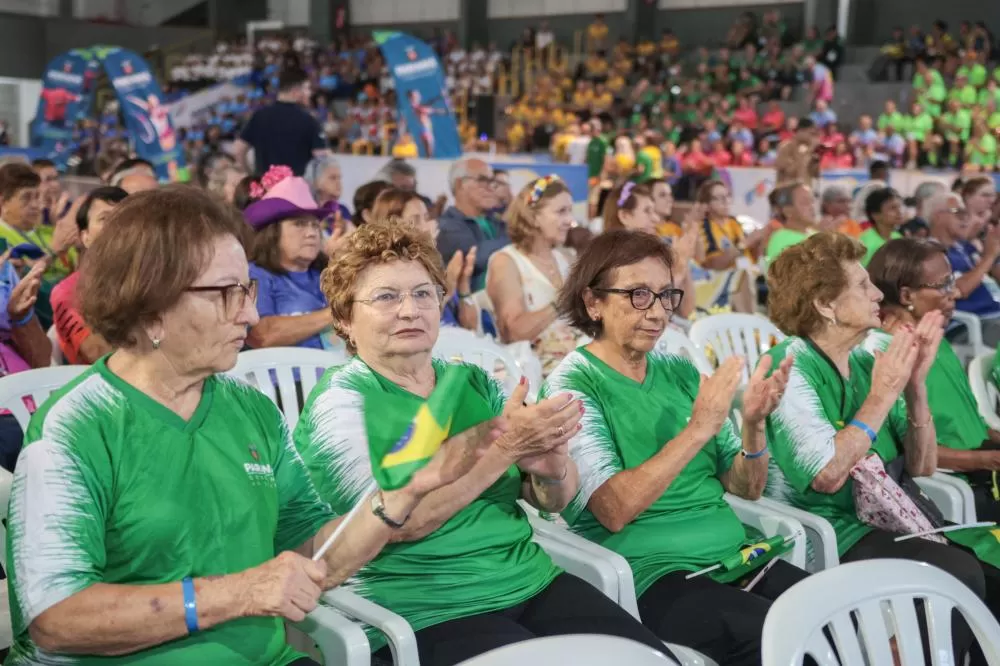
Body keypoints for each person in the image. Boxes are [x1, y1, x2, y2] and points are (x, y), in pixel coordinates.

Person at [5, 186, 486, 666]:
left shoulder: (250, 408)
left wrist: (400, 498)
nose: (251, 313)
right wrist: (238, 594)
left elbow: (313, 548)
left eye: (248, 289)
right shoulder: (78, 426)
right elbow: (55, 617)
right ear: (150, 304)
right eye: (227, 294)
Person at [292, 222, 673, 666]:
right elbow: (396, 521)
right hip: (424, 605)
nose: (410, 310)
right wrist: (505, 451)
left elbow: (552, 499)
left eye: (423, 293)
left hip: (530, 579)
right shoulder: (342, 400)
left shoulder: (470, 380)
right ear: (344, 319)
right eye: (386, 297)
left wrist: (552, 465)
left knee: (650, 659)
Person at [541, 229, 800, 666]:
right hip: (654, 573)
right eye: (639, 295)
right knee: (776, 636)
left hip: (734, 556)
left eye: (666, 296)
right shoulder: (573, 385)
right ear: (593, 302)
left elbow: (747, 489)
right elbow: (614, 508)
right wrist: (697, 430)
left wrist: (754, 426)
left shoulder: (678, 370)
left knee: (832, 615)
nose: (658, 312)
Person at [762, 231, 991, 652]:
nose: (876, 293)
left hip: (891, 512)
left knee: (989, 581)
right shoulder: (791, 366)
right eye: (863, 286)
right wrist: (883, 394)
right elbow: (827, 476)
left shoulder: (870, 355)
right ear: (825, 305)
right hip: (832, 528)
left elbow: (921, 466)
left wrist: (916, 386)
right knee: (956, 575)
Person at [867, 238, 1000, 522]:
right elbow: (908, 453)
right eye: (942, 285)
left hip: (980, 462)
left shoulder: (934, 339)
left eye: (951, 281)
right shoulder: (888, 357)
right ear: (906, 296)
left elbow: (969, 425)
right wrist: (987, 460)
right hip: (952, 479)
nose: (954, 293)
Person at [487, 176, 581, 377]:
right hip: (534, 372)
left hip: (578, 361)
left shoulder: (566, 257)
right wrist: (561, 302)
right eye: (561, 211)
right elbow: (514, 332)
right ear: (534, 217)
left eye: (570, 211)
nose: (570, 221)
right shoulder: (506, 261)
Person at [243, 166, 338, 351]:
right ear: (273, 232)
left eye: (314, 225)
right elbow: (261, 335)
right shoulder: (255, 274)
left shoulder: (329, 273)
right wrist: (334, 313)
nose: (311, 233)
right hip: (280, 379)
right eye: (300, 224)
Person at [371, 187, 477, 331]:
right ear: (393, 224)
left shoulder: (433, 265)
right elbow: (415, 326)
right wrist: (447, 292)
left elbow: (471, 328)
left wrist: (463, 284)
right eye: (416, 219)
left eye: (426, 218)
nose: (427, 226)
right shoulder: (383, 271)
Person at [50, 187, 125, 364]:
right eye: (105, 219)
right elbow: (98, 355)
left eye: (124, 219)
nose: (116, 226)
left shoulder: (155, 280)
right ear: (85, 237)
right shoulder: (68, 291)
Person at [0, 163, 78, 329]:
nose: (36, 205)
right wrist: (53, 252)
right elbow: (19, 282)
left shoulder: (50, 232)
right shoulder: (2, 240)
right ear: (3, 203)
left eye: (37, 197)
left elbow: (77, 271)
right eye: (26, 198)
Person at [928, 192, 1000, 345]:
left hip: (993, 318)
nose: (965, 217)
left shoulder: (964, 248)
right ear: (937, 217)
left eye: (965, 213)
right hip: (968, 325)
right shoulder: (930, 253)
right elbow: (958, 290)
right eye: (957, 212)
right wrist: (990, 256)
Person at [234, 67, 328, 176]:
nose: (310, 93)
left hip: (265, 188)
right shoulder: (309, 120)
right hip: (294, 189)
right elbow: (323, 158)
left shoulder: (259, 116)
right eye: (307, 88)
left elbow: (238, 150)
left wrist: (251, 175)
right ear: (296, 91)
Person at [437, 158, 509, 291]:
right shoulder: (446, 226)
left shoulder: (497, 222)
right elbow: (475, 255)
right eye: (482, 180)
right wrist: (521, 238)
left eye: (492, 181)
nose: (490, 188)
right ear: (459, 184)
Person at [765, 182, 818, 263]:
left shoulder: (816, 234)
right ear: (787, 211)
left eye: (812, 201)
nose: (812, 207)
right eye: (805, 202)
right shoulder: (782, 240)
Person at [858, 187, 904, 266]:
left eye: (899, 207)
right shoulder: (865, 244)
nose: (899, 212)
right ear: (875, 215)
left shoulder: (898, 237)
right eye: (892, 208)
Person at [303, 155, 352, 220]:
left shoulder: (344, 211)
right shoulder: (307, 212)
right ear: (315, 182)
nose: (338, 182)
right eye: (333, 178)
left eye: (339, 178)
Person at [774, 118, 820, 185]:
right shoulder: (784, 147)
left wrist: (816, 161)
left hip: (805, 191)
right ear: (801, 131)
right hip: (787, 190)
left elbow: (816, 175)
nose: (813, 138)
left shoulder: (810, 149)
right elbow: (790, 172)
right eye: (811, 134)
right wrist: (808, 152)